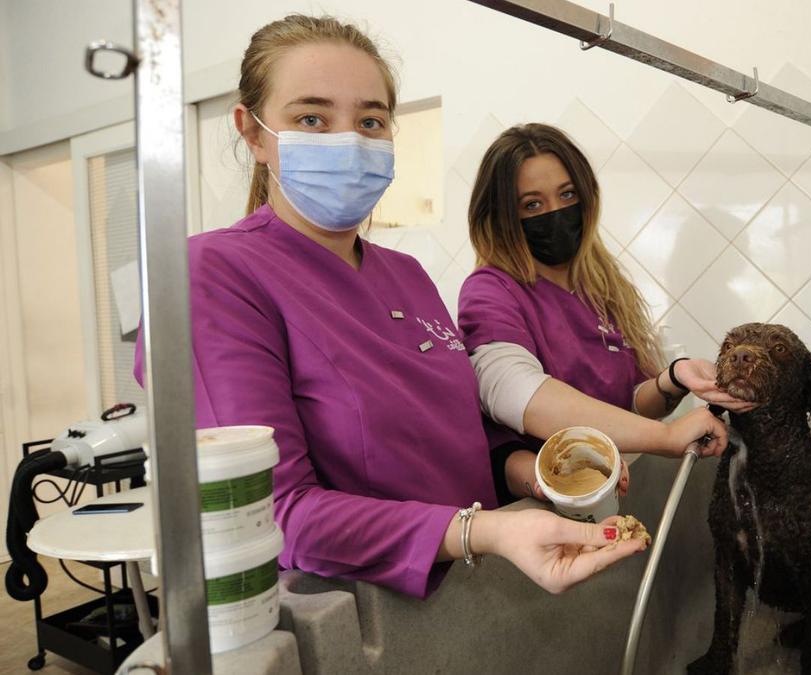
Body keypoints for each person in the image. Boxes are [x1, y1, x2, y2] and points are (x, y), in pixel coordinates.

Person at [134, 15, 645, 598]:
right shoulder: (212, 277)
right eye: (311, 118)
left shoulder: (406, 276)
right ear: (252, 133)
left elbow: (456, 433)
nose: (348, 141)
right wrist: (481, 531)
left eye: (370, 121)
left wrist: (532, 472)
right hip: (356, 612)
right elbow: (269, 516)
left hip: (478, 590)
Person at [458, 123, 755, 504]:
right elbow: (517, 393)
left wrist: (673, 378)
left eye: (567, 195)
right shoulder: (490, 291)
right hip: (542, 508)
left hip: (615, 489)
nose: (556, 214)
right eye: (532, 204)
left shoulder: (600, 286)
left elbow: (627, 403)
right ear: (501, 217)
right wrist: (665, 438)